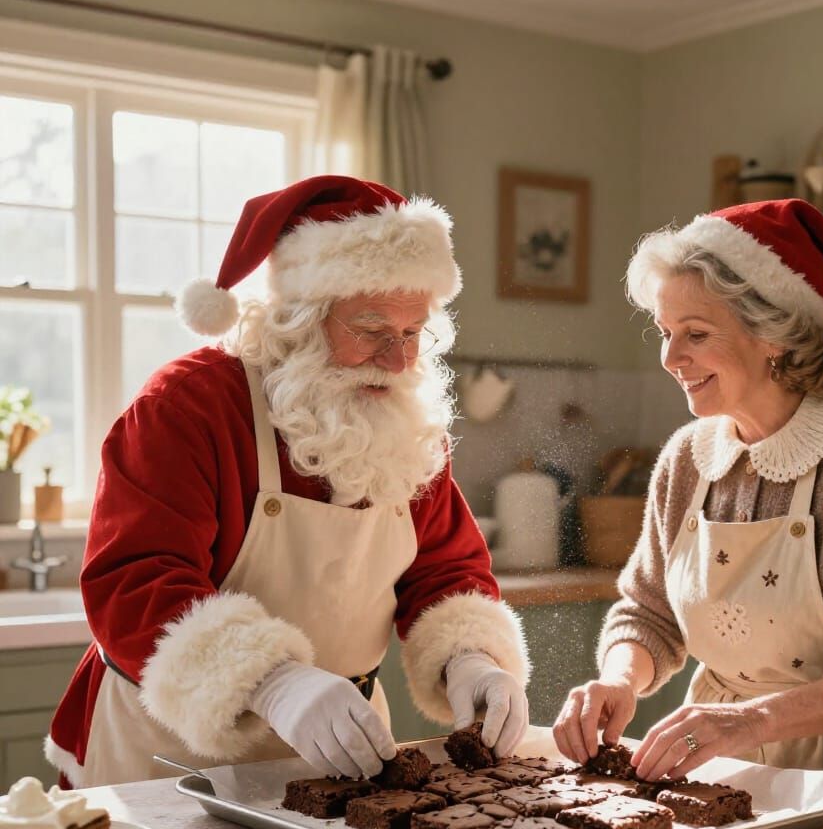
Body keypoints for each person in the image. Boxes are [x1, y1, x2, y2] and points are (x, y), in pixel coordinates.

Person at [47, 175, 530, 788]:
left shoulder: (402, 421)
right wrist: (272, 681)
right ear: (299, 318)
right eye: (372, 330)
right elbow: (134, 581)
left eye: (412, 333)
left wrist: (471, 659)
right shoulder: (189, 406)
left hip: (342, 755)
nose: (399, 360)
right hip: (164, 756)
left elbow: (440, 566)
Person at [553, 198, 823, 795]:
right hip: (728, 767)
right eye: (666, 333)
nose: (670, 358)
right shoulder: (687, 459)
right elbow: (650, 612)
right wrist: (618, 678)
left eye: (695, 334)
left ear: (773, 336)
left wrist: (747, 720)